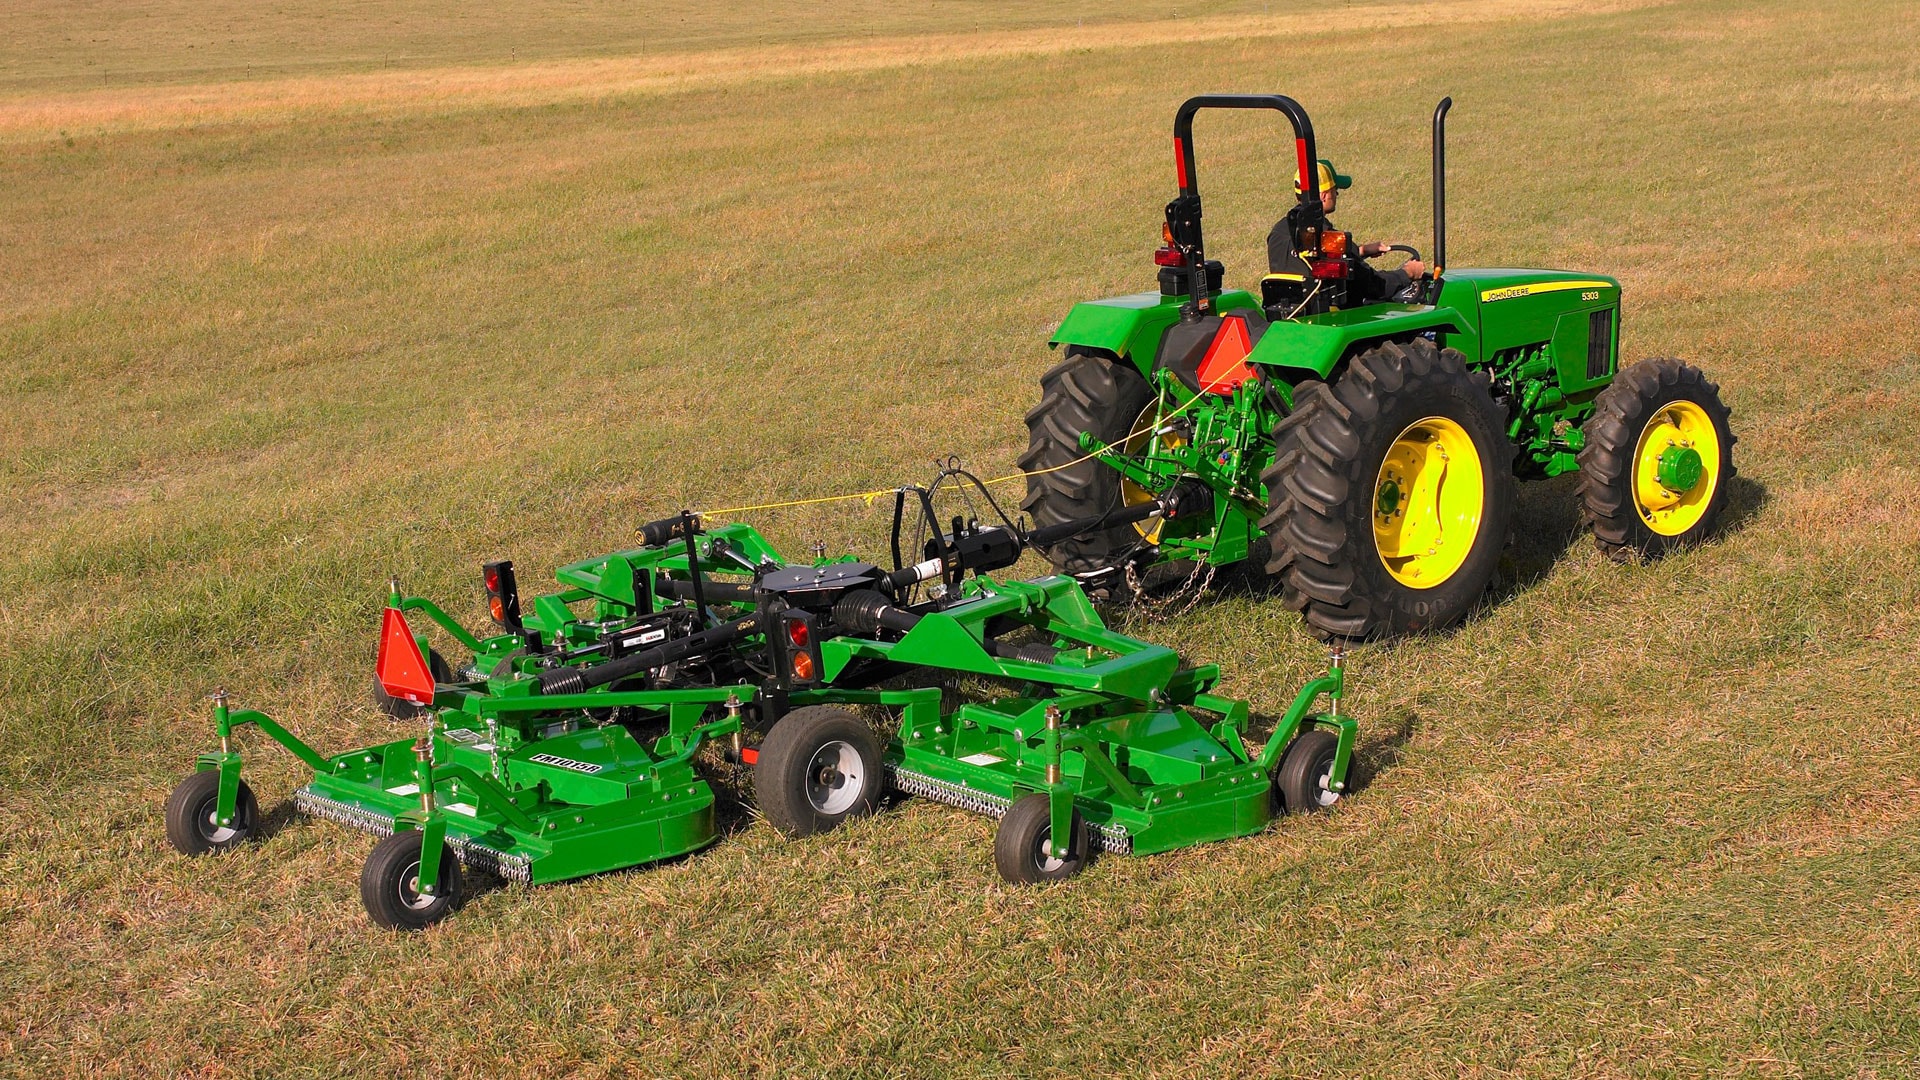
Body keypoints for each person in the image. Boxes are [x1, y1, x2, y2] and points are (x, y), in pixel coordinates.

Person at [1266, 159, 1426, 304]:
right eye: (1334, 189)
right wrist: (1406, 273)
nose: (1337, 194)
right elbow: (1374, 286)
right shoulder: (1324, 237)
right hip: (1328, 313)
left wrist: (1360, 250)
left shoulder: (1278, 232)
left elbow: (1312, 260)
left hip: (1290, 311)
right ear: (1323, 195)